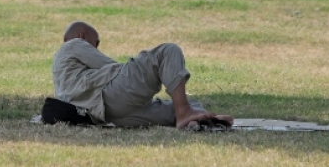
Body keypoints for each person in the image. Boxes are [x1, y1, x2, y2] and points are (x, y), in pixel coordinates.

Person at [51, 21, 233, 129]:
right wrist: (141, 69)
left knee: (176, 106)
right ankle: (185, 112)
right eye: (95, 43)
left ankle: (198, 120)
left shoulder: (61, 74)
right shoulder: (73, 44)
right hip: (111, 96)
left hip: (106, 114)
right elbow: (111, 66)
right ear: (82, 35)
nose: (96, 47)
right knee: (167, 51)